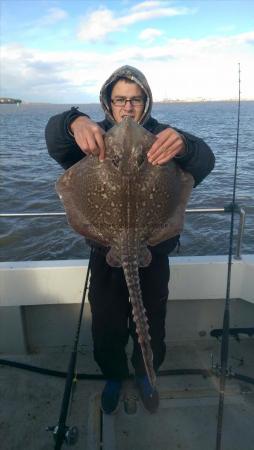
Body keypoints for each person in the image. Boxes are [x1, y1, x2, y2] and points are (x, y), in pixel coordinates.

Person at [45, 65, 215, 415]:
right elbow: (54, 139)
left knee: (152, 320)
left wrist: (186, 146)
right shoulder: (91, 136)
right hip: (104, 250)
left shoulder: (163, 136)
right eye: (120, 99)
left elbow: (204, 162)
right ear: (108, 102)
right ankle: (113, 376)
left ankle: (146, 375)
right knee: (107, 324)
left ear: (146, 102)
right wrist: (72, 121)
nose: (127, 107)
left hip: (153, 248)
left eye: (135, 100)